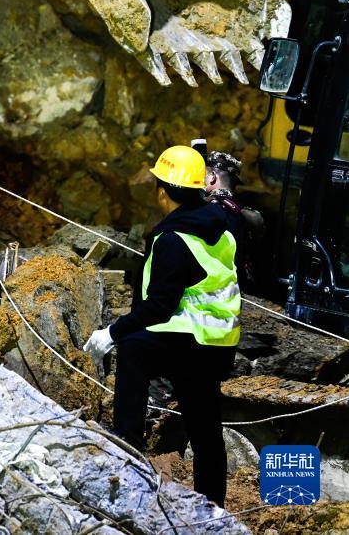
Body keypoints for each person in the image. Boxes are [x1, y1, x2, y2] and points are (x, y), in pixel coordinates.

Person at [84, 145, 240, 507]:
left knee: (134, 348)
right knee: (205, 430)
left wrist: (112, 332)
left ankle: (127, 446)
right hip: (219, 343)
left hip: (192, 341)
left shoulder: (173, 239)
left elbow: (159, 306)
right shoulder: (222, 229)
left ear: (162, 191)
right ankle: (212, 508)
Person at [203, 149, 265, 288]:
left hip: (210, 286)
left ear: (212, 177)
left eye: (204, 175)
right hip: (237, 284)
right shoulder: (245, 212)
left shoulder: (207, 209)